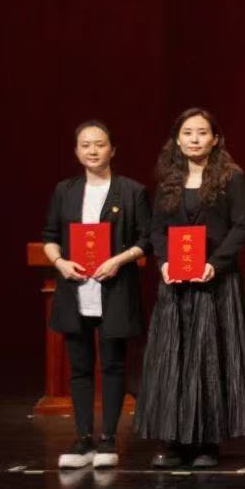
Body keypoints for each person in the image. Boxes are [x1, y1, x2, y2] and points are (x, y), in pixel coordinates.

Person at [134, 108, 245, 468]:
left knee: (210, 358)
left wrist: (215, 264)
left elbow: (242, 226)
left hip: (215, 281)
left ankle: (208, 441)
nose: (195, 139)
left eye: (202, 132)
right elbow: (157, 230)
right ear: (177, 140)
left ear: (215, 139)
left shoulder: (231, 177)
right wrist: (163, 263)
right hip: (175, 284)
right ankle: (172, 440)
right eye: (188, 133)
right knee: (172, 357)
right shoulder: (168, 180)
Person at [42, 121, 150, 469]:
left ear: (112, 149)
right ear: (76, 151)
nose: (93, 150)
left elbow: (146, 239)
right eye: (85, 145)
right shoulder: (65, 190)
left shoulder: (131, 191)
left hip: (114, 288)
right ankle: (83, 438)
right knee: (80, 368)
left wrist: (118, 260)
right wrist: (60, 263)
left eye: (100, 144)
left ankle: (108, 439)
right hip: (75, 289)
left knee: (114, 365)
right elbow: (49, 237)